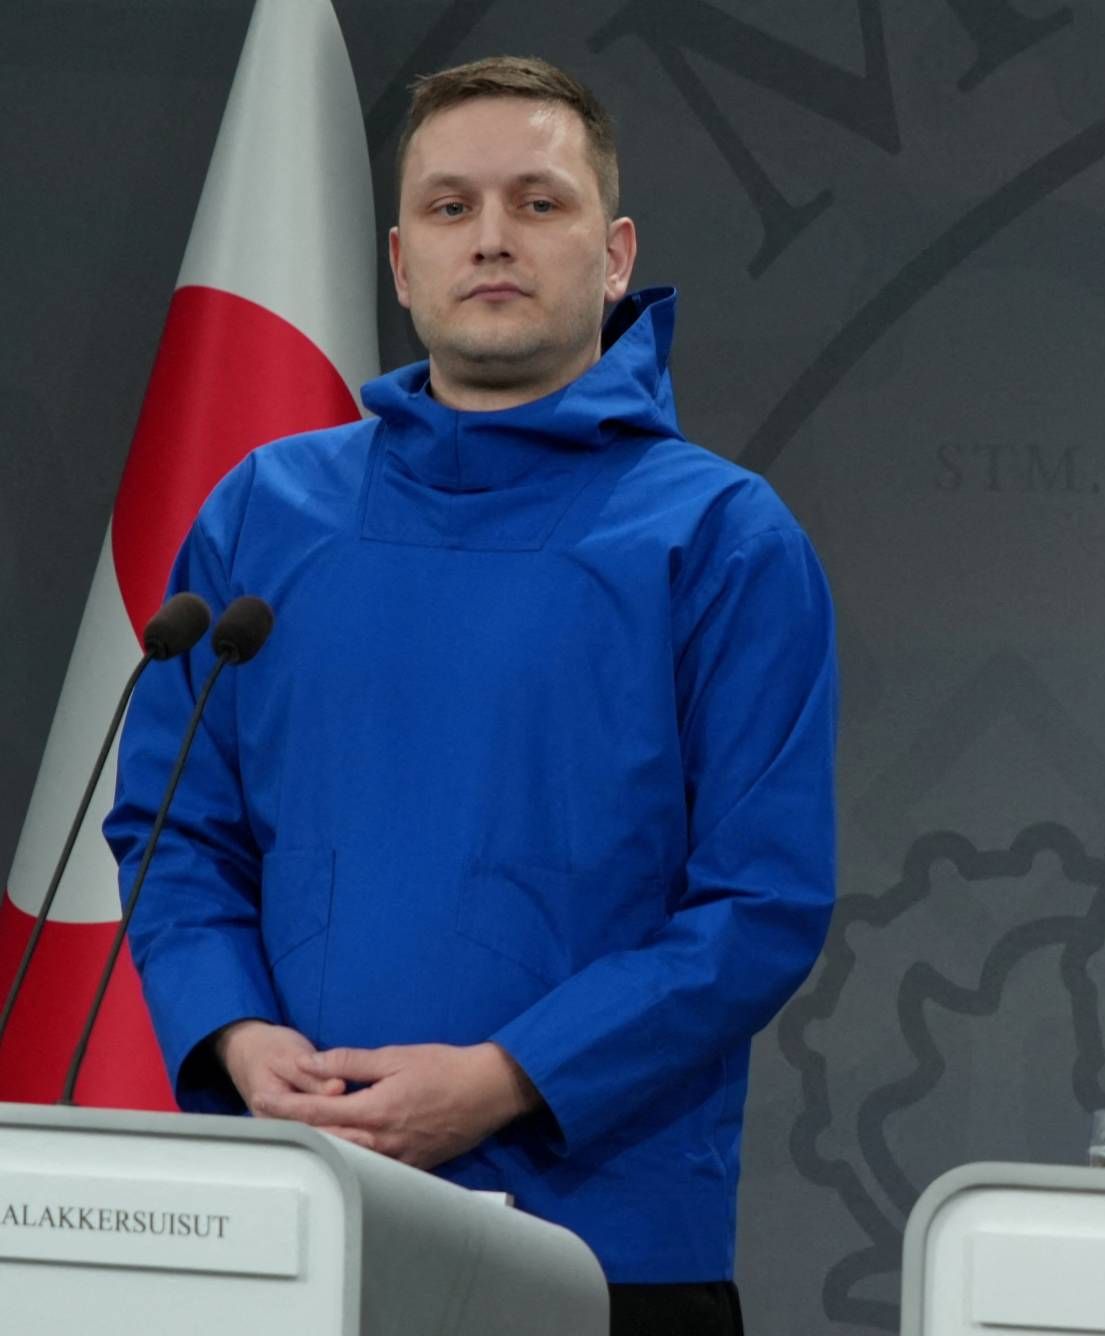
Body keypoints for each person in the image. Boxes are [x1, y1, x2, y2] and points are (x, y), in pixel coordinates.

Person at [105, 56, 835, 1335]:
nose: (491, 238)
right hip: (297, 1219)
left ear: (615, 256)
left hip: (603, 1244)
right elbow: (175, 832)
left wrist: (506, 1078)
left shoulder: (721, 537)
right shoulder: (264, 511)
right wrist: (236, 1036)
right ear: (400, 264)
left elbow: (757, 905)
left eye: (537, 203)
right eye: (450, 207)